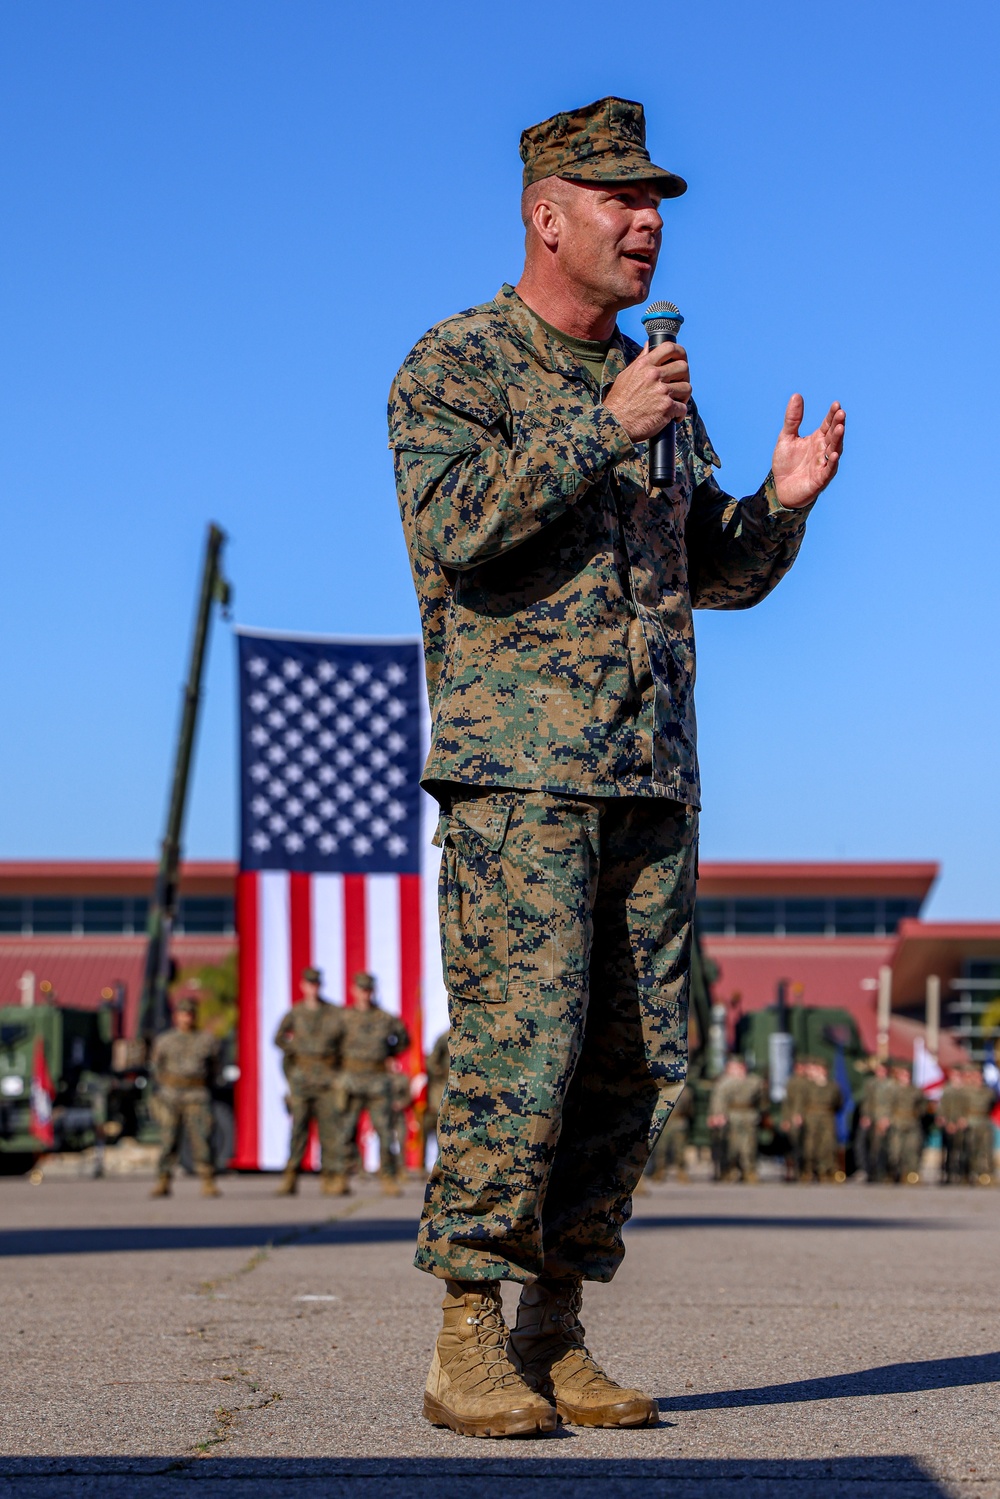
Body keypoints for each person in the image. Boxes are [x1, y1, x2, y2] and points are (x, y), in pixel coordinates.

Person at [388, 95, 844, 1440]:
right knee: (521, 1052)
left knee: (637, 1058)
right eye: (619, 199)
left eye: (655, 203)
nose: (646, 224)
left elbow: (710, 571)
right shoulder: (456, 364)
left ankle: (559, 1325)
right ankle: (465, 1332)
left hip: (650, 774)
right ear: (547, 214)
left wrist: (778, 506)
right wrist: (602, 425)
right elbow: (458, 531)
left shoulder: (658, 384)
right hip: (522, 774)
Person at [273, 967, 346, 1196]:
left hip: (326, 1080)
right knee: (299, 1130)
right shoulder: (295, 1013)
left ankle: (331, 1177)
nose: (313, 988)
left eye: (316, 984)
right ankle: (291, 1176)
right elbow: (278, 1038)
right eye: (309, 984)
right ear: (302, 986)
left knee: (329, 1131)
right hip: (302, 1081)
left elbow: (345, 1041)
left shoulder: (333, 1013)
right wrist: (294, 1051)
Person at [339, 972, 410, 1195]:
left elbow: (404, 1039)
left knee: (385, 1131)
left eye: (368, 989)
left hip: (378, 1080)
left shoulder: (385, 1018)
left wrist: (388, 1054)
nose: (365, 994)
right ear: (354, 991)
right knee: (345, 1130)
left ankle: (388, 1176)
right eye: (361, 989)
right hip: (351, 1079)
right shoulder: (343, 1018)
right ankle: (341, 1176)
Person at [149, 994, 221, 1198]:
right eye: (182, 1014)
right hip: (171, 1096)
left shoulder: (207, 1040)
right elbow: (156, 1069)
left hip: (197, 1096)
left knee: (202, 1140)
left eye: (190, 1014)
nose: (186, 1018)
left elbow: (214, 1068)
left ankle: (208, 1180)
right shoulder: (165, 1041)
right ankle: (163, 1180)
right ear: (176, 1017)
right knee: (168, 1140)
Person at [709, 1057, 764, 1183]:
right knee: (731, 1146)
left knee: (749, 1145)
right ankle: (729, 1170)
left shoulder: (754, 1081)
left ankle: (749, 1171)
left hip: (749, 1115)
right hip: (731, 1115)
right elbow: (719, 1099)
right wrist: (718, 1115)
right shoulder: (724, 1082)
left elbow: (760, 1099)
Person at [800, 1059, 843, 1183]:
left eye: (822, 1069)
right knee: (810, 1144)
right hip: (811, 1117)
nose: (820, 1072)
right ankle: (809, 1170)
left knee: (828, 1144)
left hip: (827, 1116)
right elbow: (802, 1102)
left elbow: (838, 1102)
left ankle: (826, 1170)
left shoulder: (833, 1086)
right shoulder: (808, 1086)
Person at [645, 1080, 694, 1182]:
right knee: (661, 1147)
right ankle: (659, 1171)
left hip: (679, 1121)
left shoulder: (686, 1091)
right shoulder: (662, 1090)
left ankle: (681, 1171)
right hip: (665, 1121)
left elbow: (689, 1108)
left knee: (679, 1148)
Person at [887, 1063, 925, 1184]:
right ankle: (894, 1173)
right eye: (903, 1074)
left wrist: (917, 1114)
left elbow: (923, 1106)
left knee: (912, 1149)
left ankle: (911, 1175)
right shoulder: (893, 1090)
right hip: (897, 1122)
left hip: (912, 1122)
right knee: (896, 1150)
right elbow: (887, 1106)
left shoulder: (916, 1091)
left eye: (907, 1075)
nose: (905, 1077)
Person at [858, 1059, 894, 1183]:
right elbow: (867, 1101)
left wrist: (887, 1118)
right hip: (872, 1117)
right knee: (870, 1146)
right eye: (879, 1070)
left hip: (886, 1118)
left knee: (885, 1146)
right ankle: (870, 1172)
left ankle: (884, 1172)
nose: (881, 1072)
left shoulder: (892, 1084)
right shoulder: (870, 1083)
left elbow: (893, 1103)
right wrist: (866, 1116)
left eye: (883, 1070)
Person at [422, 1028, 451, 1171]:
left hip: (468, 1087)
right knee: (442, 1126)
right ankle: (440, 1167)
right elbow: (432, 1062)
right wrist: (443, 1073)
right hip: (444, 1088)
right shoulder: (445, 1036)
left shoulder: (474, 1031)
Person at [962, 1068, 996, 1186]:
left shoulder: (989, 1092)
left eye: (980, 1077)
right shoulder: (965, 1091)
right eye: (975, 1076)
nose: (978, 1079)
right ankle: (971, 1174)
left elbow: (992, 1105)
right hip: (971, 1122)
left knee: (986, 1150)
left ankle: (986, 1175)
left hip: (984, 1122)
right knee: (971, 1149)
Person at [937, 1067, 969, 1185]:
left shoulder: (965, 1091)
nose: (955, 1078)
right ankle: (947, 1174)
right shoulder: (947, 1090)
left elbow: (969, 1107)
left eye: (957, 1075)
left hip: (962, 1124)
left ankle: (961, 1174)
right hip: (949, 1125)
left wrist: (964, 1119)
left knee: (962, 1150)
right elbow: (942, 1108)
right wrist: (948, 1122)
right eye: (953, 1075)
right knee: (948, 1151)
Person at [782, 1059, 812, 1181]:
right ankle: (792, 1171)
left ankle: (805, 1171)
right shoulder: (792, 1082)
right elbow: (787, 1102)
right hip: (793, 1117)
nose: (802, 1070)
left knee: (807, 1145)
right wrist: (786, 1119)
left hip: (808, 1117)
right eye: (799, 1067)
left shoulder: (810, 1082)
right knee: (792, 1145)